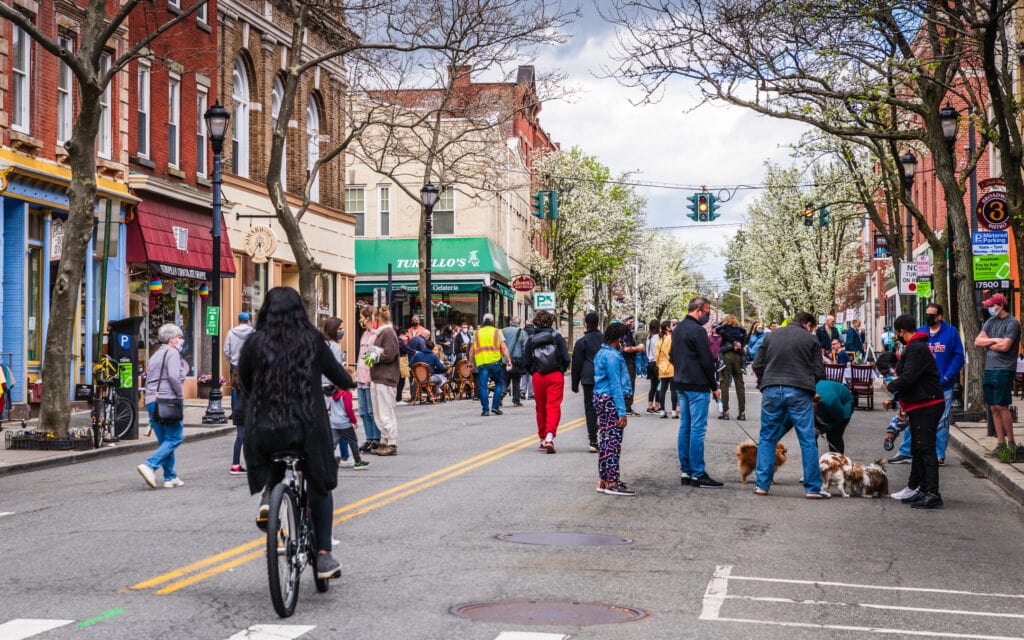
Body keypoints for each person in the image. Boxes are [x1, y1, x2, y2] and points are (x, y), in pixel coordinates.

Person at [237, 287, 353, 579]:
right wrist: (345, 383)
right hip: (306, 428)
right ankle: (324, 556)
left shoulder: (254, 342)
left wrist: (259, 403)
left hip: (264, 428)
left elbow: (244, 382)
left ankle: (268, 498)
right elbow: (341, 377)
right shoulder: (312, 340)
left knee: (273, 456)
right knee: (320, 487)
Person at [751, 311, 828, 499]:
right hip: (799, 390)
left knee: (767, 437)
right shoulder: (811, 339)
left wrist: (764, 381)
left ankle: (762, 484)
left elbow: (757, 363)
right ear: (808, 325)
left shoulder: (772, 335)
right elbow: (819, 370)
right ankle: (812, 488)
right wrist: (809, 382)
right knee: (807, 439)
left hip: (771, 389)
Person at [889, 303, 964, 469]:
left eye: (932, 314)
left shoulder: (951, 333)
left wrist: (946, 376)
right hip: (920, 386)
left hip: (942, 385)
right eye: (927, 314)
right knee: (912, 419)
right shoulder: (921, 333)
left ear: (940, 316)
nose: (929, 317)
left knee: (942, 422)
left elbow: (958, 357)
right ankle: (907, 451)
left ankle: (938, 453)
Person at [886, 313, 946, 509]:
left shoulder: (917, 348)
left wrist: (892, 386)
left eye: (897, 333)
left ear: (901, 331)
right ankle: (921, 489)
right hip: (920, 403)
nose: (897, 337)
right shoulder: (916, 347)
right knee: (918, 448)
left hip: (927, 404)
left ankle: (932, 493)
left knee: (926, 448)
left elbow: (909, 377)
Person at [670, 297, 723, 489]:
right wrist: (714, 386)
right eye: (707, 311)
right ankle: (698, 473)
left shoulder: (677, 330)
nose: (707, 316)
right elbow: (707, 361)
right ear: (699, 310)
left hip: (681, 383)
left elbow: (671, 356)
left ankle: (686, 471)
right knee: (698, 430)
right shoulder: (698, 331)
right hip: (697, 385)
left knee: (685, 427)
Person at [137, 323, 189, 489]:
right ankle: (150, 465)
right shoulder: (172, 353)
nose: (182, 341)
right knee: (174, 438)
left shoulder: (155, 355)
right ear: (172, 339)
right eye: (180, 338)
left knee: (165, 441)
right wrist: (180, 396)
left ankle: (170, 477)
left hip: (152, 400)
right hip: (168, 400)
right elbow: (174, 377)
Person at [974, 293, 1022, 460]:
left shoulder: (1013, 323)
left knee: (1002, 406)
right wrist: (995, 340)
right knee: (993, 407)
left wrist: (990, 343)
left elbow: (1005, 346)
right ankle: (1000, 443)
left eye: (992, 305)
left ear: (1000, 305)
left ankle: (1011, 443)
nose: (990, 309)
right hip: (989, 369)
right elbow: (977, 341)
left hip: (1004, 369)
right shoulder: (990, 322)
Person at [593, 322, 635, 496]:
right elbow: (615, 385)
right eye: (623, 339)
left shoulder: (601, 353)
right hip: (610, 400)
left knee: (605, 440)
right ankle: (612, 481)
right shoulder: (612, 357)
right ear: (619, 338)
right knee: (613, 442)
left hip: (601, 398)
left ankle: (604, 479)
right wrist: (622, 411)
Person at [523, 310, 570, 453]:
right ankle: (550, 436)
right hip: (555, 375)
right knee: (553, 406)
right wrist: (561, 369)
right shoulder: (557, 336)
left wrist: (534, 371)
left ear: (536, 322)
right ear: (551, 322)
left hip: (538, 376)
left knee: (540, 407)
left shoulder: (531, 338)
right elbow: (566, 358)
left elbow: (526, 361)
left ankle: (542, 438)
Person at [322, 317, 355, 466]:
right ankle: (345, 456)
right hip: (331, 388)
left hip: (320, 386)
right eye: (340, 329)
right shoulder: (334, 346)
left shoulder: (322, 344)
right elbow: (334, 368)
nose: (342, 331)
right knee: (341, 422)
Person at [369, 305, 401, 456]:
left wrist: (375, 356)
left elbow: (390, 354)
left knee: (385, 411)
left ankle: (391, 441)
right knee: (379, 412)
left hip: (385, 377)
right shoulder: (382, 333)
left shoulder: (388, 332)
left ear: (377, 319)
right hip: (378, 377)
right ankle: (384, 440)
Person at [571, 312, 604, 453]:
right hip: (604, 377)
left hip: (589, 378)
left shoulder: (581, 342)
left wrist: (575, 383)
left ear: (585, 323)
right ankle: (605, 436)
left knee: (590, 409)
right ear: (598, 323)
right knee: (604, 407)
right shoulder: (605, 340)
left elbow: (576, 364)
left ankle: (593, 440)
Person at [470, 313, 511, 416]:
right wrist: (509, 360)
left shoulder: (476, 333)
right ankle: (495, 407)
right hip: (495, 362)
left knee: (483, 386)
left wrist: (470, 362)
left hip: (482, 363)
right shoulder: (498, 332)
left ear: (483, 322)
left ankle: (485, 410)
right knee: (499, 383)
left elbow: (471, 350)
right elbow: (504, 348)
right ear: (493, 321)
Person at [355, 306, 382, 453]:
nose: (360, 319)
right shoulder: (364, 334)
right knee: (363, 411)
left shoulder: (375, 335)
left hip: (370, 377)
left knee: (372, 411)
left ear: (368, 318)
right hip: (360, 376)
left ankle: (376, 439)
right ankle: (368, 438)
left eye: (361, 317)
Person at [715, 315, 747, 421]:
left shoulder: (725, 328)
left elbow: (717, 329)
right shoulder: (739, 330)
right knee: (740, 384)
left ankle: (725, 411)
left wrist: (722, 323)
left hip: (727, 355)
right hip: (738, 356)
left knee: (724, 383)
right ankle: (742, 412)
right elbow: (746, 336)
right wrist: (740, 345)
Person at [328, 386, 368, 469]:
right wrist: (354, 421)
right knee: (353, 441)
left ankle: (326, 462)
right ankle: (358, 461)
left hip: (334, 423)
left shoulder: (331, 394)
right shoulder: (347, 394)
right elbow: (348, 409)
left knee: (332, 443)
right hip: (345, 423)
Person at [223, 311, 254, 413]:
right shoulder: (253, 332)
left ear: (239, 321)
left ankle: (235, 411)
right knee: (249, 387)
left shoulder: (231, 332)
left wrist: (230, 359)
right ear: (248, 321)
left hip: (235, 364)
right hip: (249, 364)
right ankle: (248, 411)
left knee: (235, 387)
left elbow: (226, 350)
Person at [619, 316, 644, 416]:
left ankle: (626, 406)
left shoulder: (626, 332)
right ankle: (627, 407)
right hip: (627, 362)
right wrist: (638, 347)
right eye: (630, 322)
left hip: (628, 362)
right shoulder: (624, 333)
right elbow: (626, 348)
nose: (632, 324)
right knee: (628, 384)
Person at [502, 317, 529, 407]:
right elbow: (524, 347)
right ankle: (516, 400)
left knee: (505, 379)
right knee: (516, 380)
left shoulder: (503, 331)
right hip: (517, 359)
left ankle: (500, 397)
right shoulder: (522, 333)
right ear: (520, 323)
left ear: (510, 322)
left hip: (505, 358)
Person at [654, 320, 678, 419]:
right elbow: (673, 352)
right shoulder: (671, 338)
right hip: (671, 366)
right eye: (672, 325)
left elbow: (657, 355)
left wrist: (660, 364)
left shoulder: (659, 340)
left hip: (662, 367)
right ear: (668, 328)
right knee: (673, 390)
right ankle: (673, 411)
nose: (673, 326)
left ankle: (662, 411)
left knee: (662, 390)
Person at [229, 367, 247, 475]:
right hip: (245, 412)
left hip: (238, 411)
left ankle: (236, 464)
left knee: (240, 438)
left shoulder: (239, 380)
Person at [644, 319, 661, 414]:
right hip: (656, 363)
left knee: (653, 386)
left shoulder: (649, 337)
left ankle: (649, 406)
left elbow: (647, 351)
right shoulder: (658, 337)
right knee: (659, 385)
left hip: (650, 363)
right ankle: (657, 406)